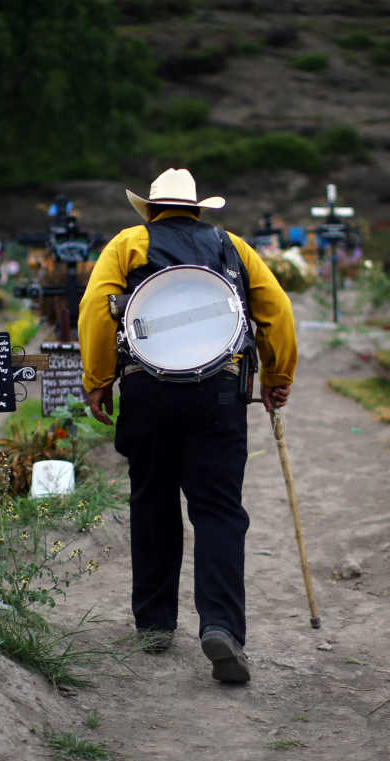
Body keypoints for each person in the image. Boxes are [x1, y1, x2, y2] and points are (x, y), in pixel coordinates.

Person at [78, 168, 297, 684]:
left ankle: (155, 625)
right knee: (219, 510)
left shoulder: (129, 244)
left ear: (151, 210)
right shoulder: (233, 246)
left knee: (152, 501)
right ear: (198, 209)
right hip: (218, 394)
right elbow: (277, 312)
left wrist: (98, 378)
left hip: (147, 393)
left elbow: (93, 310)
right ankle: (220, 626)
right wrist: (277, 376)